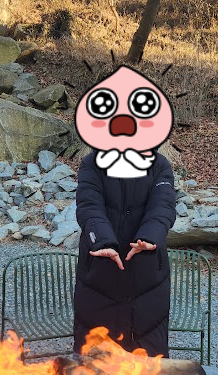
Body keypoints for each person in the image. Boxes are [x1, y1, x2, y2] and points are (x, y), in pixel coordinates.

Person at [73, 149, 177, 356]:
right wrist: (102, 240)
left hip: (147, 270)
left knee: (147, 354)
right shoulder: (92, 163)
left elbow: (163, 205)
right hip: (100, 268)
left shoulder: (159, 164)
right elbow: (89, 205)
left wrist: (150, 237)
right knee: (95, 359)